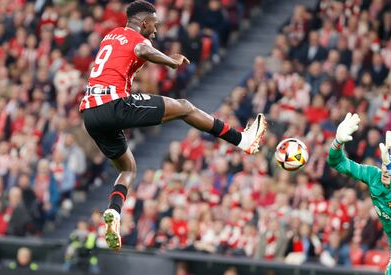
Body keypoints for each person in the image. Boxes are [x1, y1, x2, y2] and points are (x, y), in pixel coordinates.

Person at [79, 0, 267, 251]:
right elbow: (143, 51)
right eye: (154, 25)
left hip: (90, 113)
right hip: (113, 103)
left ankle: (114, 211)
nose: (155, 31)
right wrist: (170, 61)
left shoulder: (111, 35)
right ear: (144, 22)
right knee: (185, 107)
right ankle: (243, 140)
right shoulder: (139, 39)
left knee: (128, 168)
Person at [328, 113, 391, 274]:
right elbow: (337, 163)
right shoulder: (374, 176)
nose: (386, 168)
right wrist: (338, 142)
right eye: (384, 163)